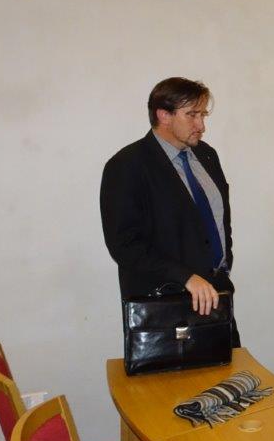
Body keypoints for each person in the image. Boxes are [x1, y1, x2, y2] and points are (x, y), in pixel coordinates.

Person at [100, 77, 239, 346]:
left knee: (228, 371)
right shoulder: (127, 165)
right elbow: (124, 245)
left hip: (216, 297)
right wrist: (185, 277)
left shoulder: (207, 155)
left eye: (203, 115)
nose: (201, 125)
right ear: (164, 115)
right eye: (192, 115)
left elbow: (220, 221)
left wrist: (222, 268)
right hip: (163, 307)